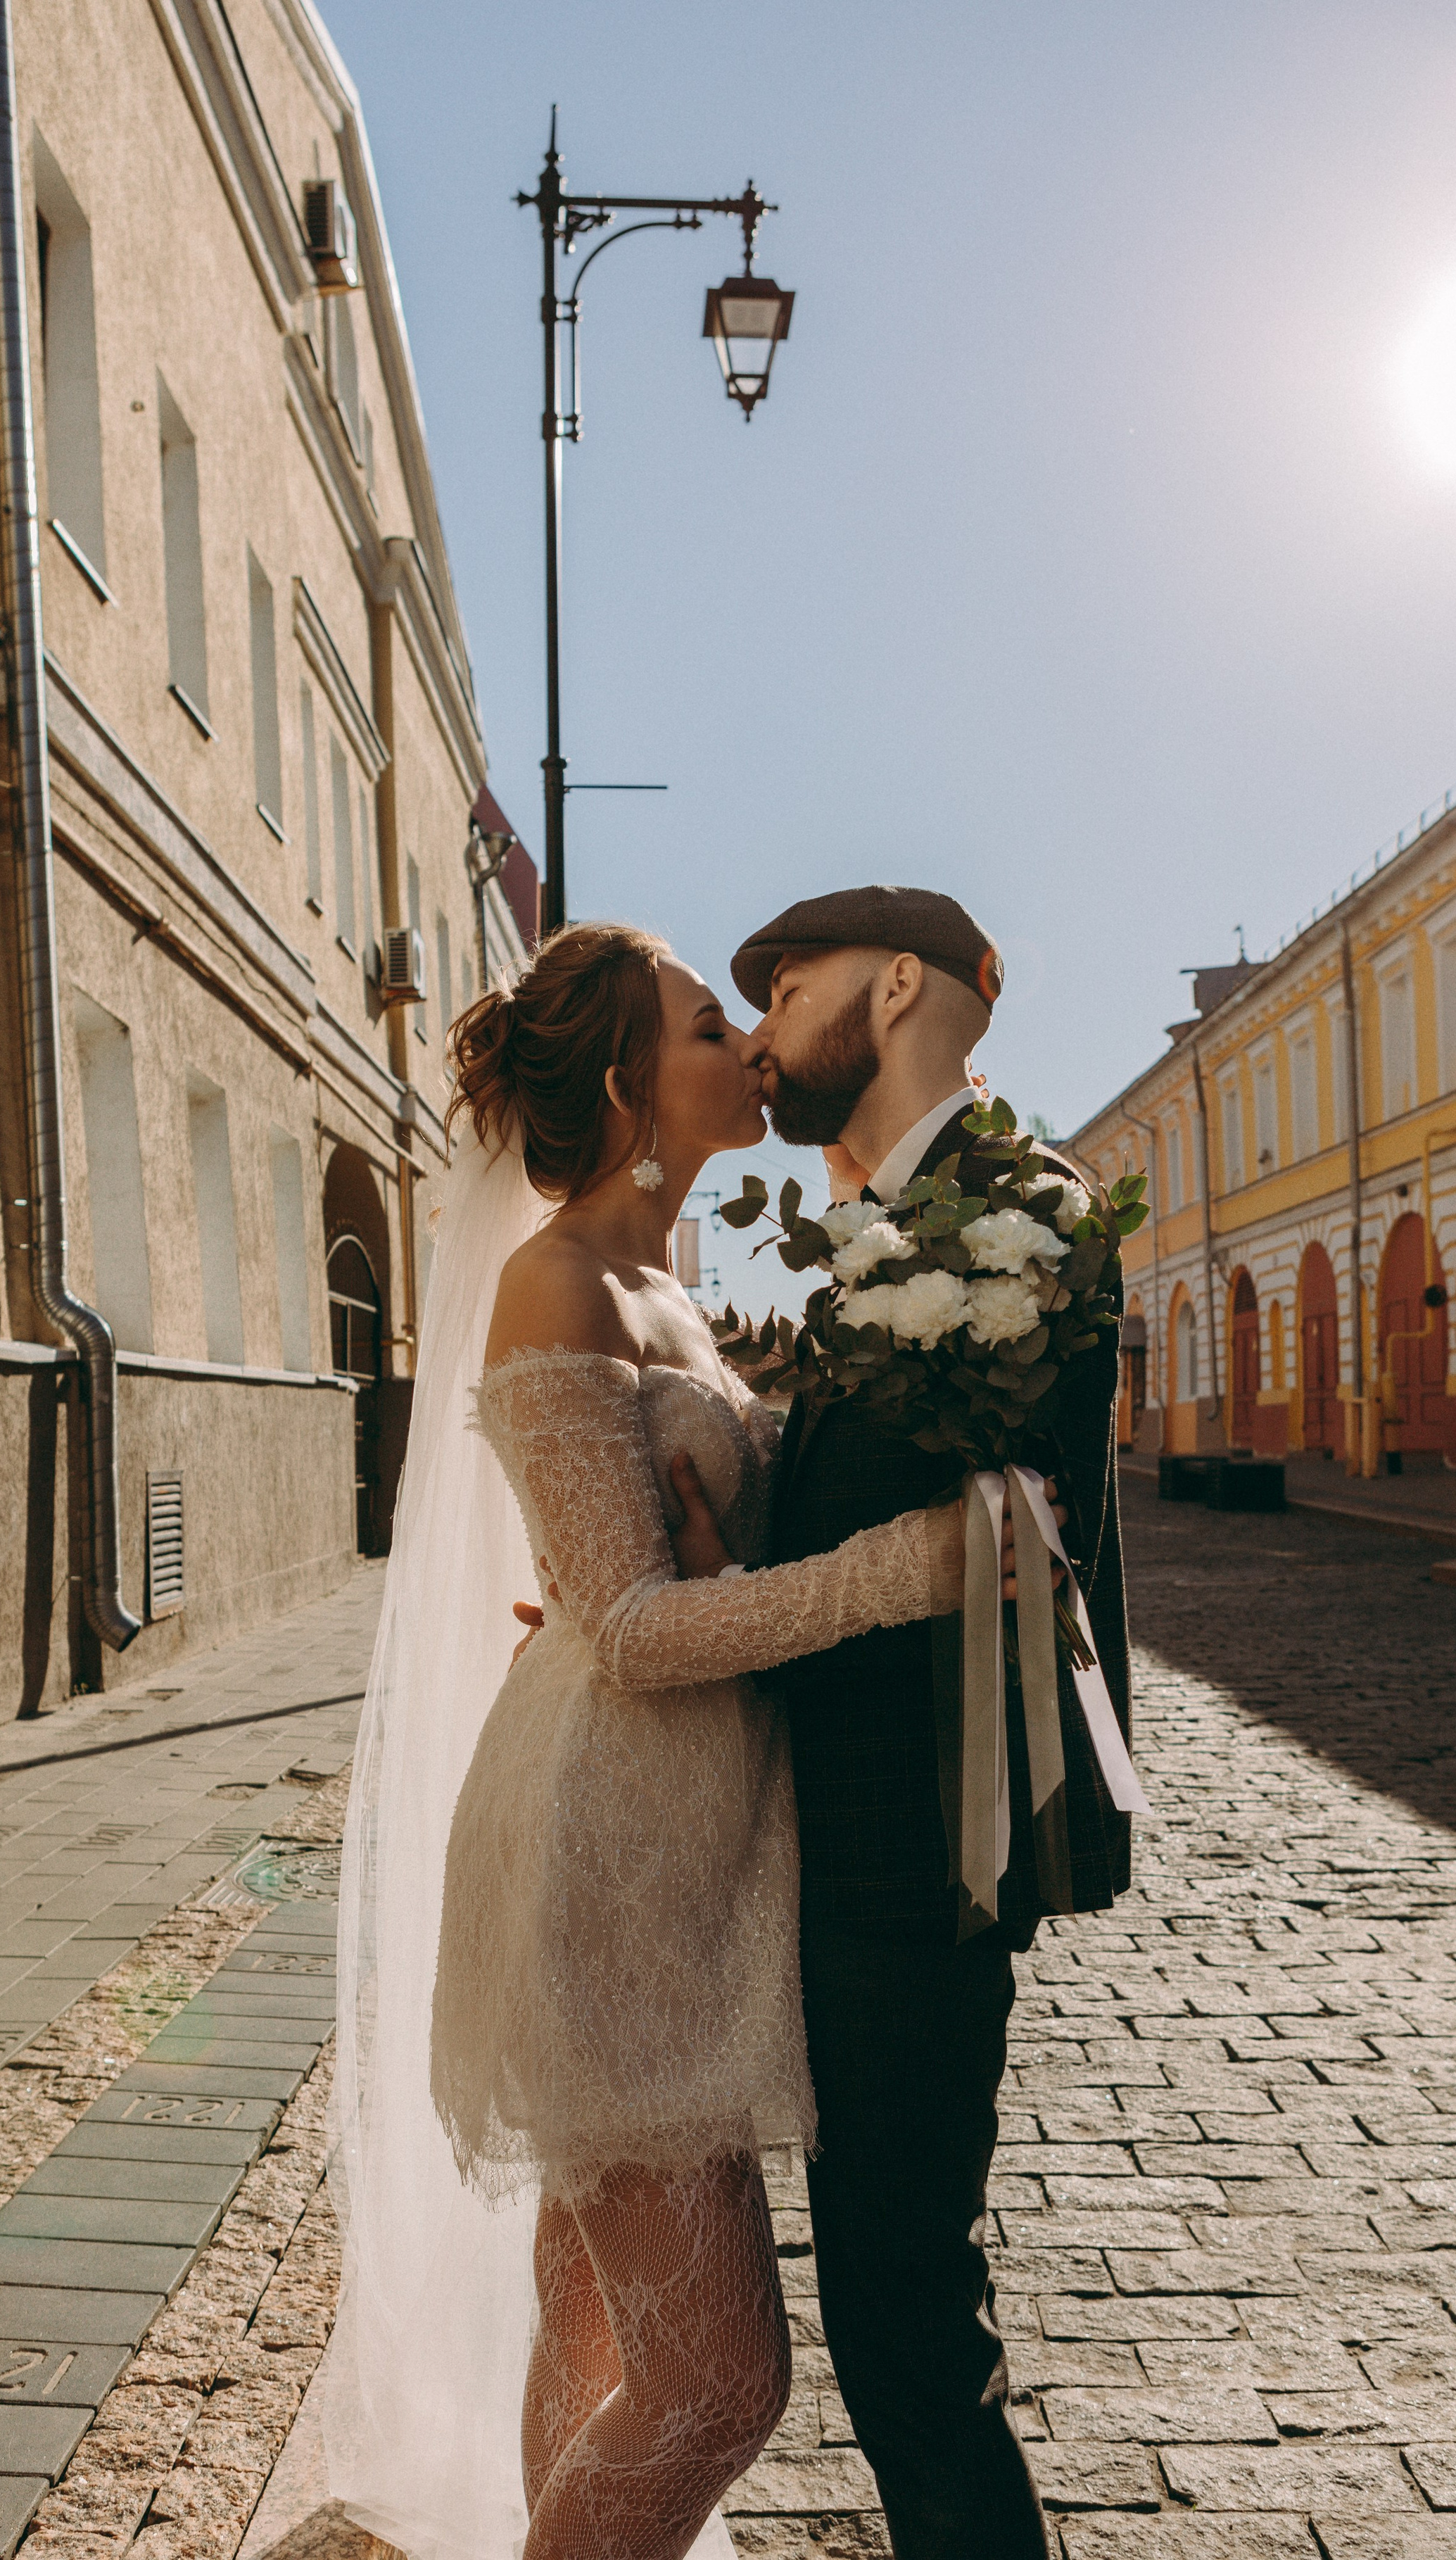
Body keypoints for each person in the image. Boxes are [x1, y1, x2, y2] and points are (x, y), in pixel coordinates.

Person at [323, 920, 1038, 2560]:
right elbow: (634, 1631)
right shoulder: (555, 1278)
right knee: (717, 2385)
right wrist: (896, 1570)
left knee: (599, 2345)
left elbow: (642, 1581)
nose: (746, 1047)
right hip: (607, 1873)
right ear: (633, 1088)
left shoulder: (670, 1285)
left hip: (686, 1855)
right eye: (711, 1024)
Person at [727, 884, 1134, 2560]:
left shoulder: (1010, 1213)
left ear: (891, 986)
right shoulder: (899, 1217)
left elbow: (982, 1538)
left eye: (783, 990)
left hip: (916, 1849)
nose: (757, 1038)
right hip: (859, 1841)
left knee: (904, 2321)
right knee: (893, 2308)